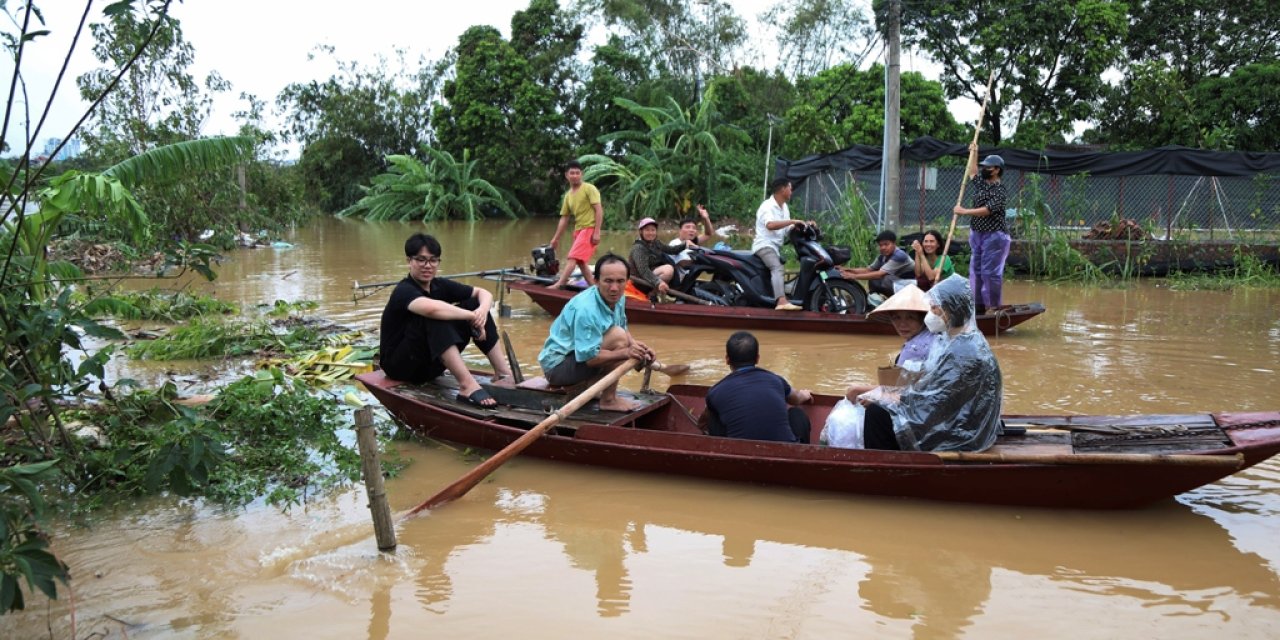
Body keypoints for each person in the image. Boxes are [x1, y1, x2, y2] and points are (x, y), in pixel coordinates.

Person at [855, 275, 1003, 452]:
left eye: (935, 309)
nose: (930, 314)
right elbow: (933, 389)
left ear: (951, 310)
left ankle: (883, 467)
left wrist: (888, 398)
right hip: (957, 420)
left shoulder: (963, 351)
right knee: (881, 404)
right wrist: (893, 395)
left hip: (962, 433)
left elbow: (937, 401)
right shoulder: (954, 340)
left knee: (877, 413)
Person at [379, 233, 514, 408]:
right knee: (434, 316)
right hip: (401, 367)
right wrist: (471, 316)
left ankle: (503, 373)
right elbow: (431, 309)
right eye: (421, 260)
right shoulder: (403, 290)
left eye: (433, 260)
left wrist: (480, 311)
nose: (428, 266)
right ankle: (467, 385)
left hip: (431, 365)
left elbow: (484, 293)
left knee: (473, 303)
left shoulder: (439, 285)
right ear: (409, 261)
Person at [538, 253, 656, 412]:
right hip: (558, 367)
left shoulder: (618, 297)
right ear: (596, 281)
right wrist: (626, 352)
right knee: (619, 341)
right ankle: (608, 400)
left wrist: (639, 349)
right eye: (608, 281)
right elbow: (590, 359)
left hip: (579, 358)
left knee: (623, 340)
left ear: (627, 282)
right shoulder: (586, 309)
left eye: (620, 281)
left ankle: (591, 388)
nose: (614, 288)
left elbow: (622, 328)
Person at [699, 331, 814, 444]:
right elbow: (796, 399)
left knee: (713, 415)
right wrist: (805, 394)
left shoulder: (716, 391)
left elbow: (702, 422)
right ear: (757, 358)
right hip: (785, 456)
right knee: (797, 413)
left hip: (739, 458)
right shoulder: (776, 380)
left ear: (727, 359)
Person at [845, 283, 937, 401]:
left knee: (854, 390)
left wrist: (860, 390)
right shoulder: (930, 336)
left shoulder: (916, 348)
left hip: (915, 403)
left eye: (910, 318)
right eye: (896, 318)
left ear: (923, 320)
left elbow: (899, 390)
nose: (902, 324)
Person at [953, 150, 1009, 314]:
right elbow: (972, 172)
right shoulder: (983, 185)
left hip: (995, 236)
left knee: (989, 272)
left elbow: (987, 210)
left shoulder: (1000, 190)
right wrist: (975, 152)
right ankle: (978, 306)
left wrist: (963, 211)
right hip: (977, 233)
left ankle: (993, 306)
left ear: (996, 169)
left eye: (988, 167)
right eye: (984, 167)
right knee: (975, 271)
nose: (984, 169)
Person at [753, 178, 811, 311]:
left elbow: (786, 229)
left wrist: (803, 225)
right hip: (764, 246)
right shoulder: (767, 206)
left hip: (775, 247)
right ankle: (781, 301)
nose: (792, 191)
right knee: (777, 267)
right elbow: (771, 225)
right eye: (790, 188)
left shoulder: (784, 207)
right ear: (783, 189)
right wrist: (792, 221)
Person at [547, 159, 603, 289]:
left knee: (572, 258)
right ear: (567, 175)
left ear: (581, 174)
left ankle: (560, 283)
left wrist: (597, 231)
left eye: (577, 173)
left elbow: (599, 210)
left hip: (589, 229)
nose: (575, 175)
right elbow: (564, 218)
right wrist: (556, 239)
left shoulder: (589, 188)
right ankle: (594, 288)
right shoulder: (568, 196)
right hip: (578, 231)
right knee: (581, 262)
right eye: (572, 173)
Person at [840, 230, 916, 296]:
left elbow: (880, 274)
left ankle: (893, 302)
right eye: (880, 245)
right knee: (873, 278)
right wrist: (848, 270)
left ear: (894, 243)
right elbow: (868, 270)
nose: (883, 247)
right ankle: (875, 299)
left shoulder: (899, 255)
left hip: (913, 285)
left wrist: (853, 276)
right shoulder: (882, 256)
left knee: (886, 279)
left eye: (886, 244)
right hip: (899, 283)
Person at [628, 217, 687, 296]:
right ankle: (653, 294)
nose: (650, 233)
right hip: (639, 280)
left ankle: (656, 293)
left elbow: (671, 250)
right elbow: (644, 271)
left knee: (669, 269)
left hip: (651, 275)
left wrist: (685, 244)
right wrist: (658, 282)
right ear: (641, 232)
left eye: (653, 230)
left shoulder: (656, 243)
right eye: (647, 230)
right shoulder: (638, 248)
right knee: (668, 270)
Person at [670, 204, 717, 270]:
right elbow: (684, 264)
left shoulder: (693, 242)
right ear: (680, 231)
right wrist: (702, 257)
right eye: (687, 227)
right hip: (679, 279)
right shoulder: (675, 243)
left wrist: (706, 218)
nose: (691, 230)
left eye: (694, 228)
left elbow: (708, 234)